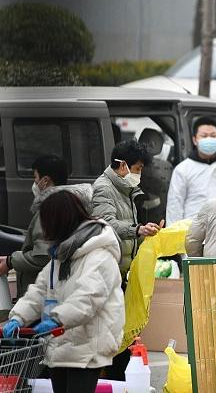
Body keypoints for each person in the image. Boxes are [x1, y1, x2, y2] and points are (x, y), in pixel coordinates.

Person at [1, 191, 124, 393]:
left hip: (87, 346)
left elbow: (88, 298)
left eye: (48, 223)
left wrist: (57, 320)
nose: (45, 231)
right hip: (60, 342)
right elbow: (40, 290)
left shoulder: (99, 254)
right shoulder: (62, 254)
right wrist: (18, 317)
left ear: (62, 221)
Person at [91, 139, 161, 380]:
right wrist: (138, 229)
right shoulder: (104, 188)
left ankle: (117, 380)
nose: (139, 174)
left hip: (120, 275)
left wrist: (146, 235)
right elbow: (106, 223)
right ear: (122, 166)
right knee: (113, 339)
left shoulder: (125, 189)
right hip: (107, 276)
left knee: (120, 337)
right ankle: (113, 381)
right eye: (137, 168)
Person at [0, 155, 93, 298]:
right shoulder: (73, 204)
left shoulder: (50, 210)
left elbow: (43, 256)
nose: (34, 183)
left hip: (47, 291)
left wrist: (11, 261)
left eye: (35, 177)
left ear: (45, 180)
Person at [166, 116, 216, 224]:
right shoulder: (183, 169)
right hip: (191, 229)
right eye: (204, 136)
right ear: (195, 140)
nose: (209, 139)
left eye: (213, 136)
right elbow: (175, 205)